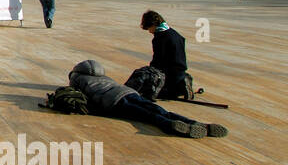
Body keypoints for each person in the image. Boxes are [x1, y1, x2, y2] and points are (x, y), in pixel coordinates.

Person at [67, 59, 226, 138]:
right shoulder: (104, 76)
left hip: (114, 102)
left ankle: (170, 126)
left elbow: (81, 97)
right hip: (128, 92)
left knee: (146, 116)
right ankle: (199, 125)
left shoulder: (77, 78)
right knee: (159, 109)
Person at [139, 9, 191, 99]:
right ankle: (182, 82)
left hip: (170, 75)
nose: (150, 31)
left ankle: (175, 88)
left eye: (149, 28)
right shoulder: (175, 34)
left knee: (147, 86)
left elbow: (158, 61)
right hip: (181, 71)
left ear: (154, 24)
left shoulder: (160, 38)